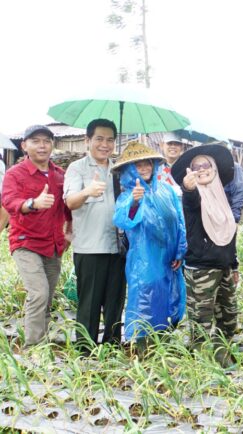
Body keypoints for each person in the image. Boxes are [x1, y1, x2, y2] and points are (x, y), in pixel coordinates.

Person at [2, 125, 72, 347]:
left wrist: (70, 231)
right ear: (24, 146)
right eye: (35, 141)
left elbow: (68, 207)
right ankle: (33, 349)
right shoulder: (15, 173)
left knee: (47, 297)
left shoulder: (59, 175)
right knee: (39, 293)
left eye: (46, 140)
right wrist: (32, 203)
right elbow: (9, 201)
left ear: (53, 144)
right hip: (26, 243)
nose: (42, 145)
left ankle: (42, 345)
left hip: (53, 244)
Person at [112, 142, 186, 345]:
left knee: (165, 299)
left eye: (147, 163)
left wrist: (180, 251)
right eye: (138, 165)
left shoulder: (166, 191)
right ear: (129, 169)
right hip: (144, 261)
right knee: (145, 302)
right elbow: (122, 220)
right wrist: (135, 202)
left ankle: (162, 344)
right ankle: (144, 349)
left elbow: (180, 221)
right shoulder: (128, 195)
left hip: (169, 260)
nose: (144, 168)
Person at [171, 144, 238, 367]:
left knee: (228, 317)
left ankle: (222, 356)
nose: (202, 169)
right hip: (201, 270)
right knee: (201, 321)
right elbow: (190, 201)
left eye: (206, 165)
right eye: (196, 166)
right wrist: (189, 189)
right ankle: (201, 366)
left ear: (215, 168)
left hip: (225, 267)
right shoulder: (194, 196)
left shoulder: (221, 196)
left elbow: (229, 233)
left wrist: (234, 264)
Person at [64, 118, 126, 350]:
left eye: (110, 139)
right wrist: (88, 191)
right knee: (89, 305)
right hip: (90, 248)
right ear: (87, 140)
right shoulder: (77, 168)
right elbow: (70, 201)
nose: (105, 144)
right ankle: (84, 351)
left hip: (117, 248)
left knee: (114, 305)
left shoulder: (120, 169)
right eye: (99, 139)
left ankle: (111, 351)